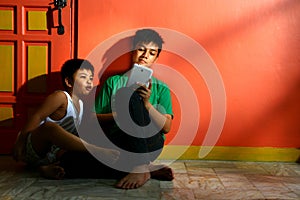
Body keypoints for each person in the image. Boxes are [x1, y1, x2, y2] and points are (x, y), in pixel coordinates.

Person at [13, 58, 120, 179]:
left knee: (83, 141)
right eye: (83, 77)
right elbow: (37, 116)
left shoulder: (81, 104)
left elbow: (93, 118)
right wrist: (20, 142)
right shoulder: (61, 97)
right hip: (36, 146)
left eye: (91, 78)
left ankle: (46, 169)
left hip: (54, 153)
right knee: (50, 127)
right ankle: (96, 150)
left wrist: (118, 115)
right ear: (69, 82)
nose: (89, 82)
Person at [95, 28, 174, 189]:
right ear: (132, 52)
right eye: (141, 49)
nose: (145, 55)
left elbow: (166, 128)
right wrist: (122, 114)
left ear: (156, 58)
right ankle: (147, 169)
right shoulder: (113, 82)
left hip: (151, 142)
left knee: (130, 96)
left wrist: (146, 104)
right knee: (74, 163)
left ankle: (140, 165)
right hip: (120, 141)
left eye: (152, 53)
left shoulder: (161, 87)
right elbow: (95, 118)